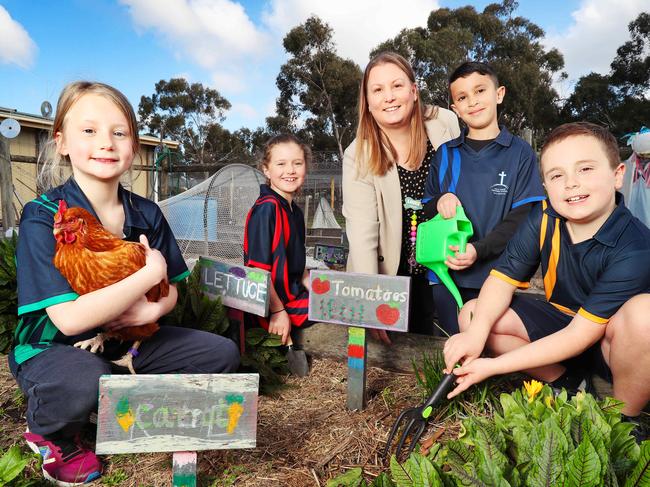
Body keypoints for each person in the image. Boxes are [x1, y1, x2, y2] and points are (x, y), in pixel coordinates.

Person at [10, 81, 240, 485]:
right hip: (55, 347)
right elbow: (67, 320)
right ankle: (50, 431)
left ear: (134, 145)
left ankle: (119, 394)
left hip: (129, 340)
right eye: (89, 130)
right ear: (61, 142)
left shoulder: (146, 212)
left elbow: (173, 290)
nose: (107, 142)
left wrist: (154, 307)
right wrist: (148, 275)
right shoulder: (44, 216)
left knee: (220, 355)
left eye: (120, 132)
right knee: (80, 378)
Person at [443, 122, 650, 440]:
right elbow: (500, 281)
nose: (571, 183)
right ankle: (569, 384)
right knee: (474, 314)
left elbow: (581, 335)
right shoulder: (542, 217)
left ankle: (625, 419)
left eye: (585, 169)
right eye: (557, 175)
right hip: (564, 324)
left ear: (618, 174)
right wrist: (476, 336)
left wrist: (492, 366)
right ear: (545, 185)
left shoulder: (636, 244)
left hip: (614, 342)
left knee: (644, 315)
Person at [342, 52, 460, 340]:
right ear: (368, 103)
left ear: (414, 91)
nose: (389, 97)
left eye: (397, 86)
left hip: (447, 267)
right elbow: (362, 233)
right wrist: (371, 303)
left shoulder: (446, 123)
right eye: (378, 90)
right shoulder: (358, 155)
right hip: (393, 273)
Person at [423, 61, 546, 335]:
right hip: (447, 274)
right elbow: (427, 205)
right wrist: (441, 199)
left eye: (480, 91)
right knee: (452, 346)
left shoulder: (520, 153)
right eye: (462, 97)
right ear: (455, 108)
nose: (473, 102)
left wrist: (479, 250)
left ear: (499, 94)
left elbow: (524, 216)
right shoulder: (446, 154)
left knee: (490, 346)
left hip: (499, 275)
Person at [244, 134, 311, 345]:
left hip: (294, 295)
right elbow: (257, 271)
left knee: (342, 306)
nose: (290, 170)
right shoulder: (267, 209)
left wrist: (323, 292)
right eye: (281, 164)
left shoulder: (296, 212)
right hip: (274, 304)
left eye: (297, 163)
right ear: (266, 169)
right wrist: (278, 311)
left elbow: (299, 269)